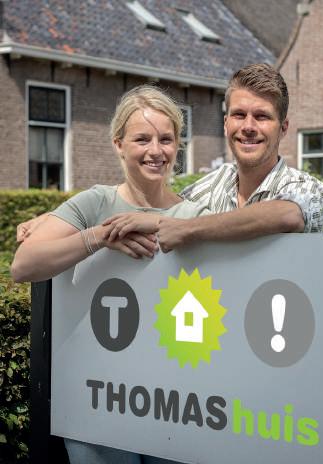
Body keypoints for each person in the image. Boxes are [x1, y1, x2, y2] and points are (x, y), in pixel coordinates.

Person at [11, 84, 208, 463]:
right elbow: (23, 265)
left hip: (174, 406)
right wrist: (99, 237)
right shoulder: (96, 202)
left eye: (166, 139)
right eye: (142, 139)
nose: (156, 150)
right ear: (119, 144)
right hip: (98, 402)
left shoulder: (195, 216)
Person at [17, 64, 323, 249]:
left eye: (261, 116)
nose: (248, 127)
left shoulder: (308, 189)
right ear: (225, 124)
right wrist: (62, 217)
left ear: (283, 128)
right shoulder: (206, 188)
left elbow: (286, 216)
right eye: (239, 115)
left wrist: (184, 228)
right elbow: (150, 202)